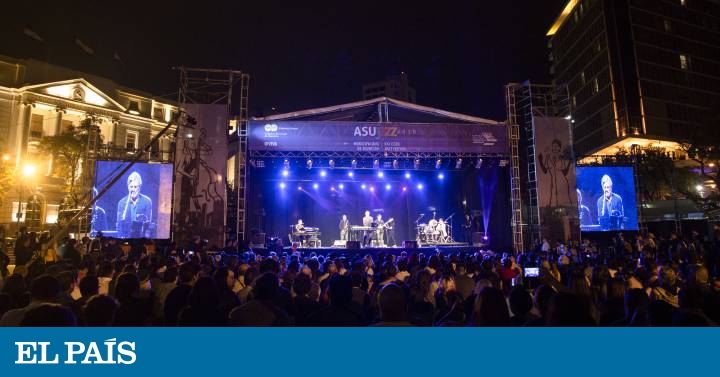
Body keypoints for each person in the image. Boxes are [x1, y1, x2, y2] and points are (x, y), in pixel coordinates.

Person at [116, 172, 153, 238]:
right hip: (126, 238)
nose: (133, 189)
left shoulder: (147, 201)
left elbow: (148, 225)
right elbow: (119, 225)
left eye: (135, 187)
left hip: (141, 239)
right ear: (128, 187)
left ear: (139, 187)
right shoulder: (121, 203)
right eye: (131, 187)